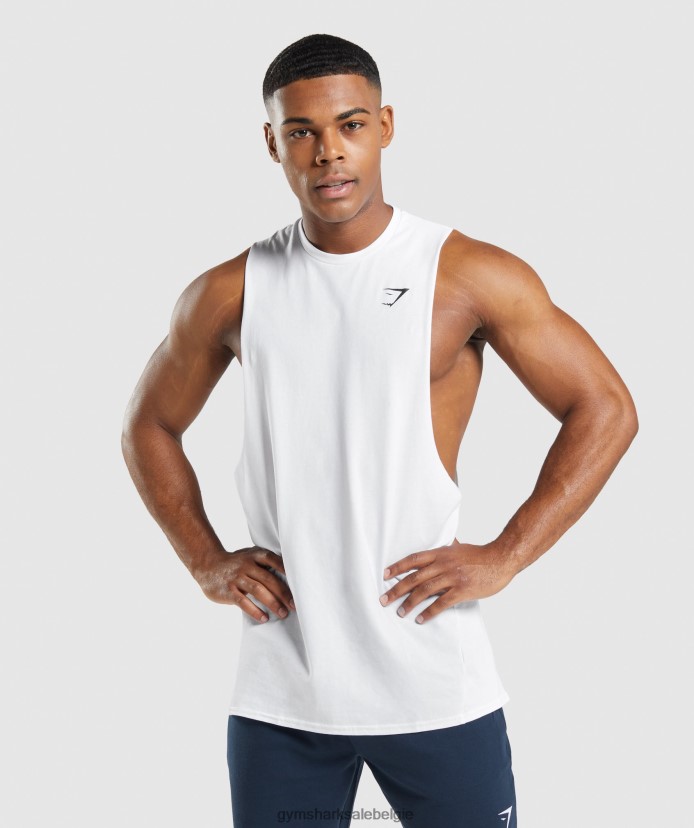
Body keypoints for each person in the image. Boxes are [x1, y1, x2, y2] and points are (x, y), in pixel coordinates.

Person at [121, 32, 638, 828]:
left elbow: (605, 406)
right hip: (284, 693)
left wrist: (507, 554)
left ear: (386, 126)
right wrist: (204, 560)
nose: (329, 152)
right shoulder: (229, 292)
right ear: (273, 143)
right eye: (302, 131)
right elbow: (149, 424)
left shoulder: (466, 274)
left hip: (434, 681)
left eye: (351, 125)